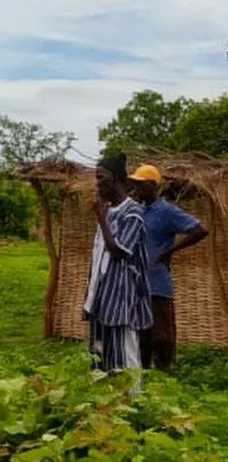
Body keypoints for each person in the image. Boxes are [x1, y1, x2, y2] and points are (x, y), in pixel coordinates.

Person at [83, 154, 153, 392]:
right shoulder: (110, 210)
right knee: (99, 352)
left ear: (117, 179)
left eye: (101, 178)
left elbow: (119, 252)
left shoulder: (132, 213)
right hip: (102, 295)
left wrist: (102, 219)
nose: (98, 184)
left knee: (124, 353)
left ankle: (134, 404)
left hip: (122, 297)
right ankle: (102, 404)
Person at [129, 164, 208, 371]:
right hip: (137, 283)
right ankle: (143, 372)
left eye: (140, 184)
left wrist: (169, 251)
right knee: (141, 332)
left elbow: (199, 230)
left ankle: (164, 372)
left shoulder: (166, 211)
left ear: (152, 185)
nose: (136, 189)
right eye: (135, 185)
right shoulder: (138, 211)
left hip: (157, 282)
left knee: (161, 334)